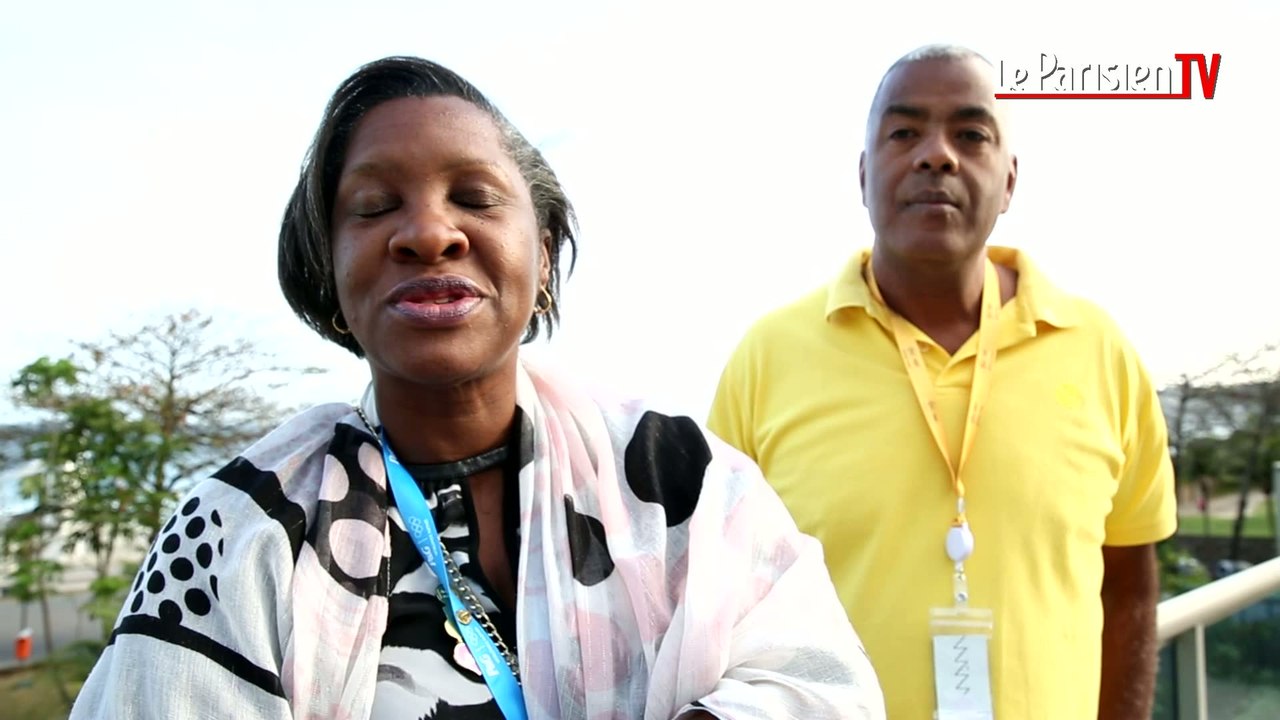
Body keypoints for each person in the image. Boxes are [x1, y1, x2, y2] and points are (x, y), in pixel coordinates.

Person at [69, 56, 885, 720]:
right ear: (328, 263)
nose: (428, 232)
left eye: (474, 197)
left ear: (544, 243)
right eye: (375, 206)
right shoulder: (244, 528)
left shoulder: (678, 477)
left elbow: (822, 686)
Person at [707, 45, 1177, 720]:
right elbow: (718, 598)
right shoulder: (767, 357)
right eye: (904, 132)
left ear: (1009, 179)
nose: (937, 155)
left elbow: (1129, 582)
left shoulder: (1099, 349)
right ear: (865, 173)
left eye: (970, 133)